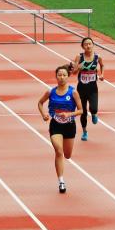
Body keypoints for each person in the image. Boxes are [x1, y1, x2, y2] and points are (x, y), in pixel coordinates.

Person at [38, 64, 83, 193]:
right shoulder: (50, 92)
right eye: (59, 75)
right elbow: (40, 103)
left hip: (69, 126)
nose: (62, 77)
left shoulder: (73, 92)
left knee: (67, 155)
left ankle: (62, 175)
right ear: (56, 77)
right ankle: (61, 181)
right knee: (59, 151)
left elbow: (81, 110)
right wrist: (44, 115)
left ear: (68, 77)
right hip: (55, 125)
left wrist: (69, 114)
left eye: (64, 75)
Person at [71, 37, 104, 141]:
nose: (88, 46)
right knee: (83, 112)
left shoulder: (97, 57)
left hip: (92, 87)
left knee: (93, 108)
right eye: (86, 44)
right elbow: (74, 72)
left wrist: (102, 74)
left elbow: (102, 65)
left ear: (93, 45)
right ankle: (85, 132)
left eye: (90, 44)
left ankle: (94, 114)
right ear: (82, 46)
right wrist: (78, 67)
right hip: (81, 88)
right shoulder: (79, 57)